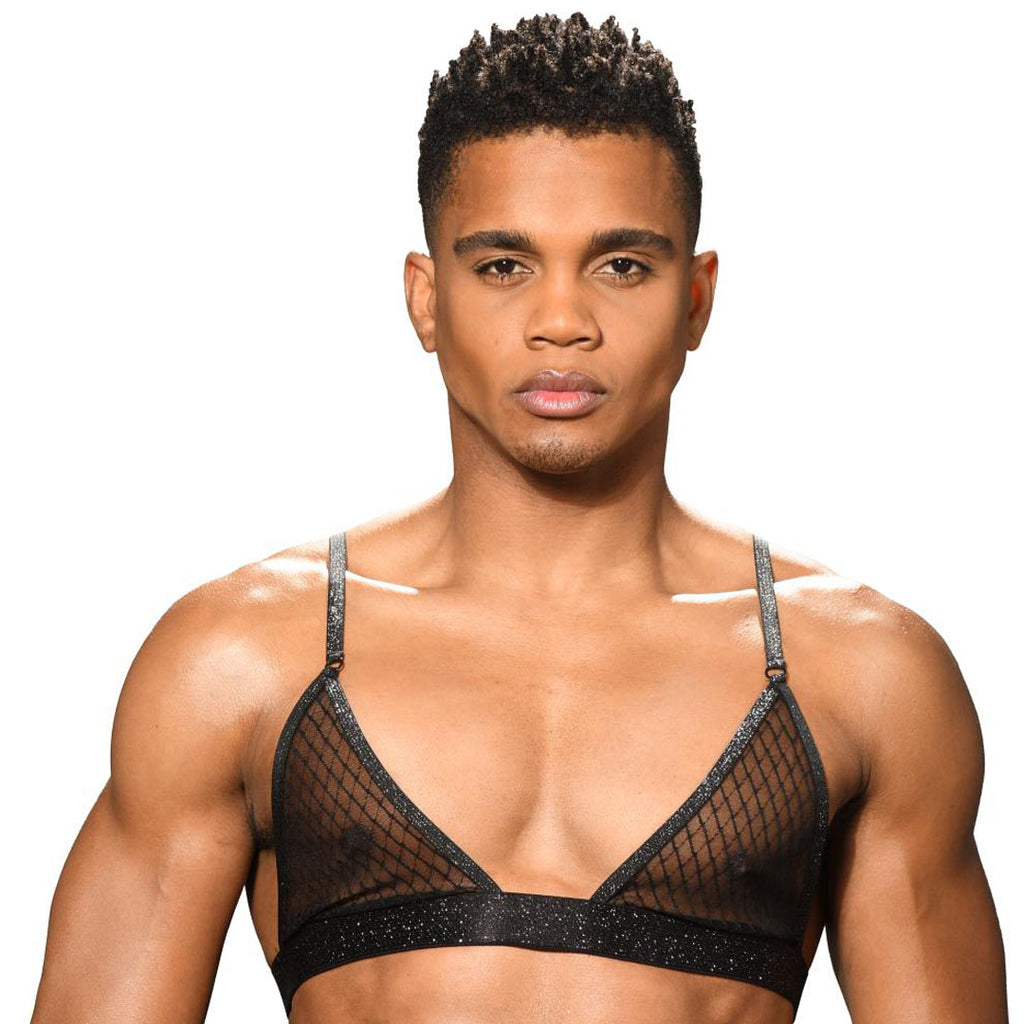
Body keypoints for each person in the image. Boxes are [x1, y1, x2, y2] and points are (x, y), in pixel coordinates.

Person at [29, 12, 1008, 1024]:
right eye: (504, 265)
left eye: (621, 265)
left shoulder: (861, 677)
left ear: (696, 299)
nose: (562, 322)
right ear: (427, 298)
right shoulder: (239, 663)